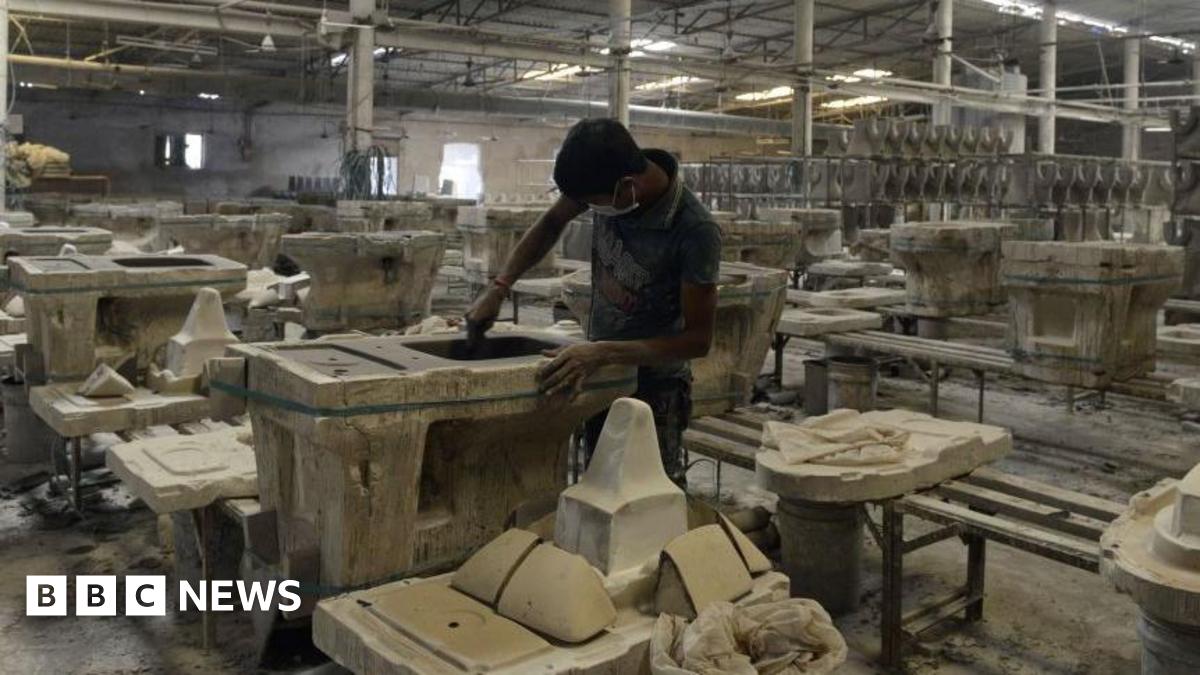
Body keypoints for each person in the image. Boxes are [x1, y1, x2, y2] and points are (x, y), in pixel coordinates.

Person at [464, 118, 721, 485]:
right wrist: (499, 287)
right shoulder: (604, 173)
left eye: (592, 203)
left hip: (653, 388)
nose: (586, 209)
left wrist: (603, 353)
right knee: (599, 487)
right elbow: (551, 223)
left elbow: (698, 340)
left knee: (647, 497)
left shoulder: (694, 231)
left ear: (626, 188)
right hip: (598, 367)